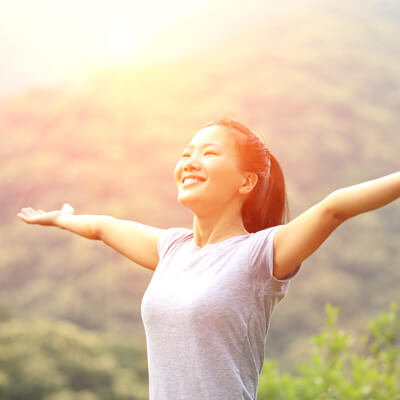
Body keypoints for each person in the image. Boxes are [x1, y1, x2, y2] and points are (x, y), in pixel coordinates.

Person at [17, 118, 400, 400]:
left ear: (245, 182)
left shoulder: (260, 255)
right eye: (186, 154)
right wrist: (63, 219)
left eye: (210, 153)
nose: (191, 161)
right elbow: (104, 226)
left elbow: (334, 208)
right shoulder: (172, 248)